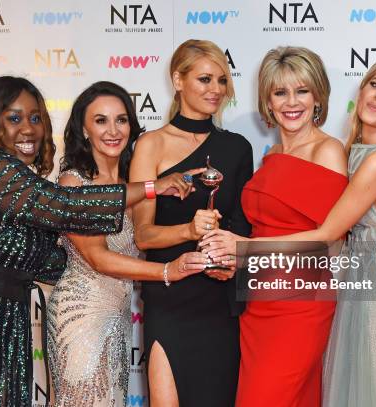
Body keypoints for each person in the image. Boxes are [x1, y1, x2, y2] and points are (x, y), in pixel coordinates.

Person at [0, 76, 196, 407]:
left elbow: (49, 259)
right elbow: (67, 205)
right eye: (14, 118)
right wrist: (152, 188)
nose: (29, 129)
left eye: (36, 118)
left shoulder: (18, 177)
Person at [203, 57, 376, 406]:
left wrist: (243, 248)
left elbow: (327, 238)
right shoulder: (350, 155)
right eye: (375, 85)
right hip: (317, 297)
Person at [200, 46, 347, 407]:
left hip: (300, 305)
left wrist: (245, 249)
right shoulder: (272, 156)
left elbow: (330, 245)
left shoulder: (328, 152)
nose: (291, 102)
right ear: (268, 100)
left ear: (318, 96)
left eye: (302, 90)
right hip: (258, 305)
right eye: (280, 92)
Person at [47, 81, 208, 407]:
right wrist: (167, 270)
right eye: (101, 120)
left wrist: (186, 185)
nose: (113, 130)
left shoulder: (133, 185)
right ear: (83, 127)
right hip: (80, 315)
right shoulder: (74, 181)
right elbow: (98, 258)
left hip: (118, 318)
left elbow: (149, 234)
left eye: (121, 119)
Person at [129, 39, 254, 406]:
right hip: (170, 298)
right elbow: (143, 235)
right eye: (204, 79)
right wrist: (188, 230)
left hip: (218, 299)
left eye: (221, 80)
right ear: (178, 80)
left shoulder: (238, 148)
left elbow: (244, 226)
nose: (215, 90)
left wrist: (230, 264)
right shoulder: (150, 144)